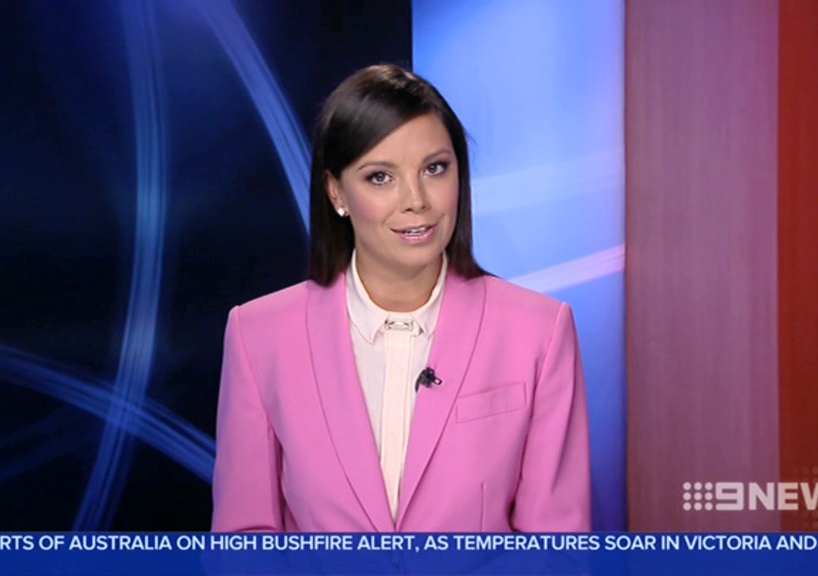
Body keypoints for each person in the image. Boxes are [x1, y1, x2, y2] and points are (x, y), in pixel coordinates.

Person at [212, 64, 590, 532]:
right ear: (336, 192)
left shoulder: (539, 331)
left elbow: (556, 549)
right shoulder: (259, 335)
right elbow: (246, 542)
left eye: (435, 169)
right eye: (380, 177)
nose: (416, 200)